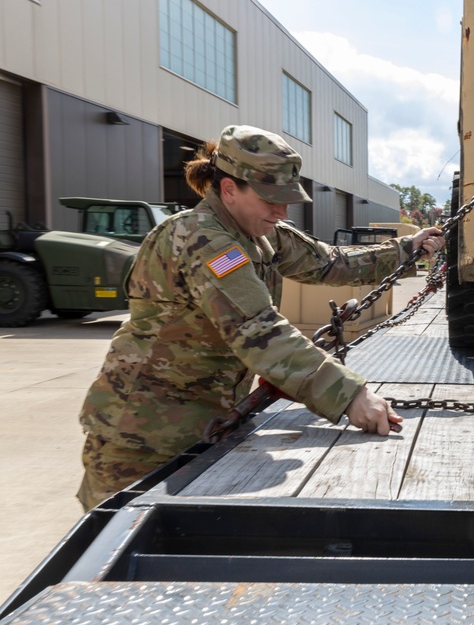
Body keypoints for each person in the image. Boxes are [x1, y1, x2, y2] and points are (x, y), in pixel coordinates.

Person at [77, 124, 444, 510]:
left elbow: (328, 262)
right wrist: (350, 394)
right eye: (271, 199)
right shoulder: (201, 238)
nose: (282, 211)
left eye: (287, 199)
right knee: (110, 552)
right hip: (143, 436)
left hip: (206, 423)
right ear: (229, 189)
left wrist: (406, 248)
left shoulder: (258, 232)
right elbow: (258, 330)